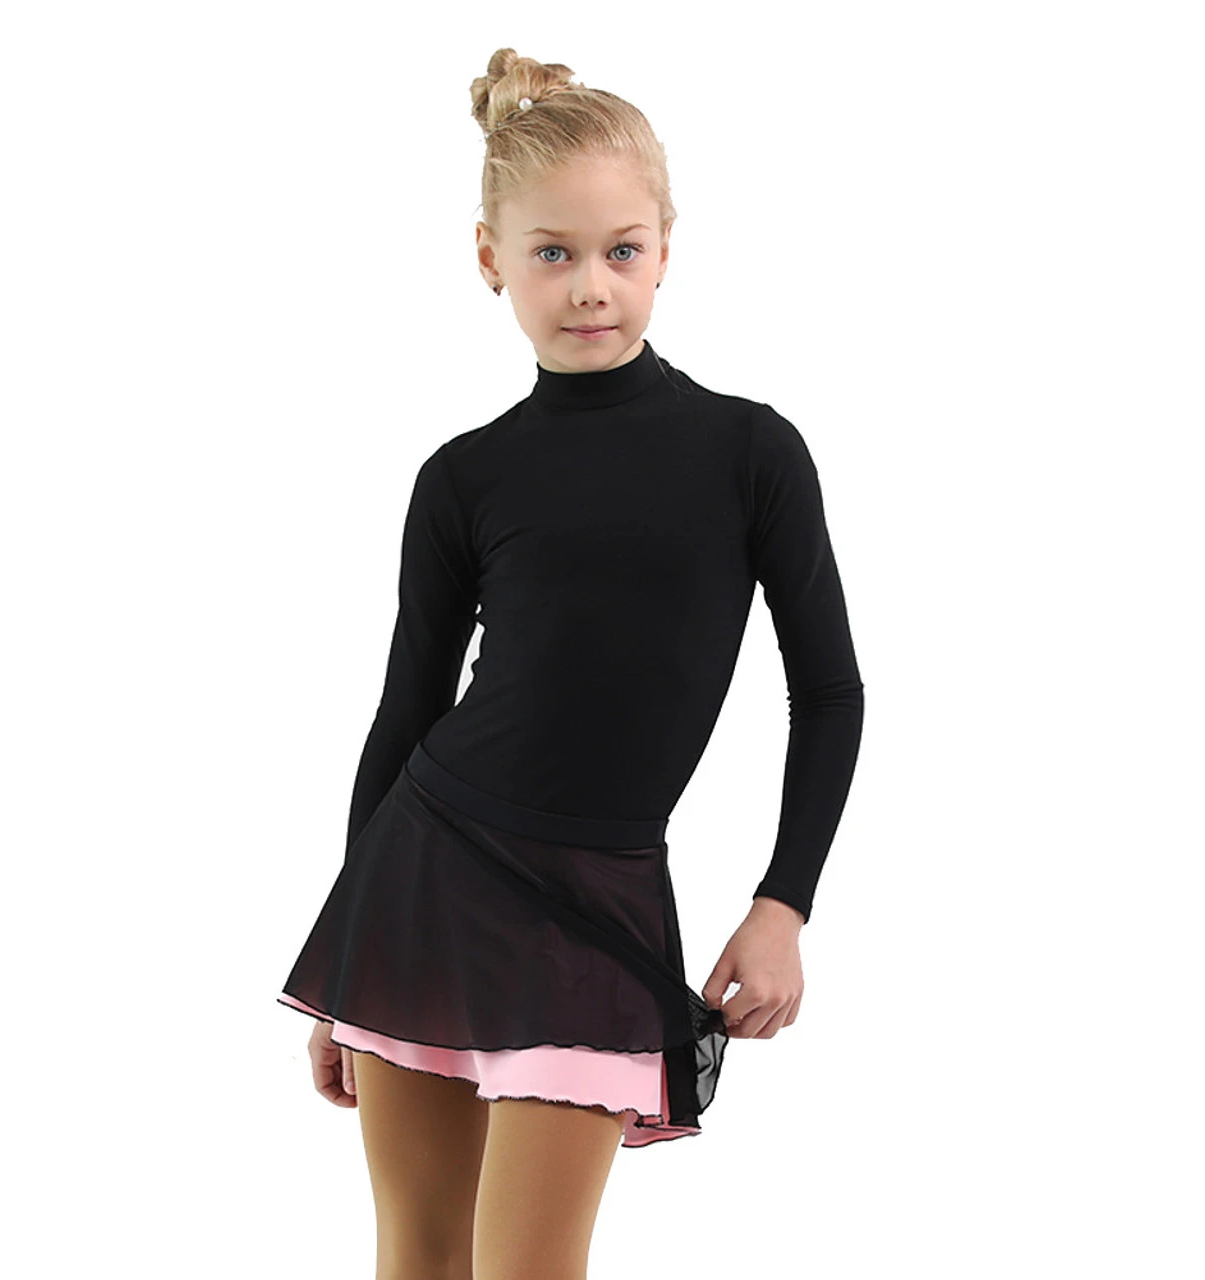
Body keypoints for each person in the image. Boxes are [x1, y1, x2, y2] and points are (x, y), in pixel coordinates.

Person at [277, 46, 864, 1279]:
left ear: (664, 249)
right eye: (551, 252)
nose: (589, 286)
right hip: (426, 877)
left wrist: (783, 900)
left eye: (619, 250)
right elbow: (403, 713)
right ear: (488, 258)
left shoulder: (749, 454)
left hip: (595, 905)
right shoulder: (462, 478)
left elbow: (829, 689)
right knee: (420, 1259)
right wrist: (343, 966)